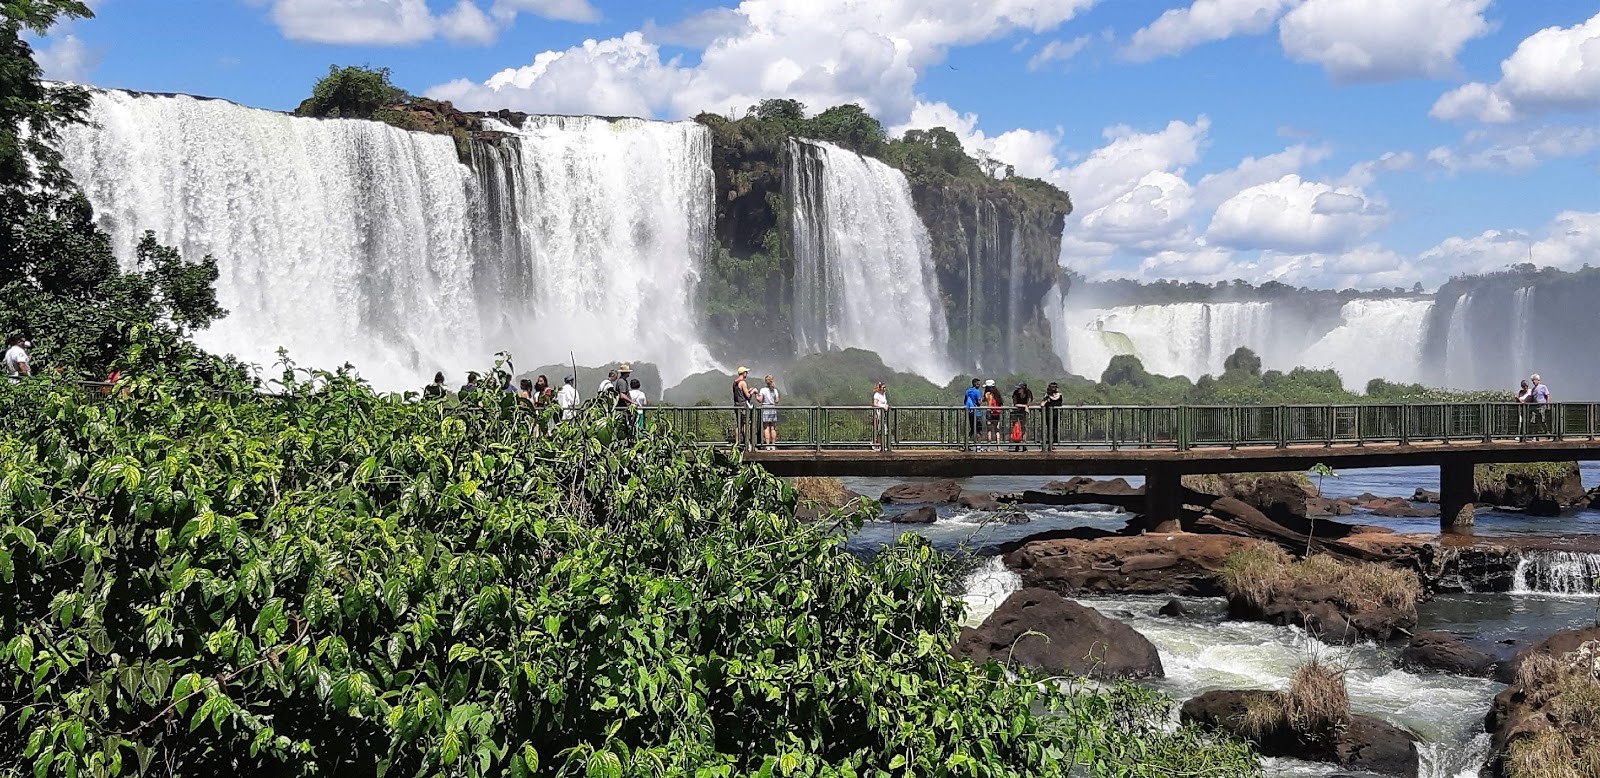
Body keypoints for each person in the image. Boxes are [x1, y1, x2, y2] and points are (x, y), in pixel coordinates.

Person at [732, 366, 754, 449]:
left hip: (736, 405)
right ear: (743, 373)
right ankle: (746, 443)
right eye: (746, 372)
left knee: (738, 425)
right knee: (745, 424)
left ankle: (737, 443)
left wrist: (748, 390)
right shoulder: (743, 383)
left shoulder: (735, 383)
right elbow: (747, 396)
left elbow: (740, 393)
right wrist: (753, 391)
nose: (747, 373)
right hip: (743, 406)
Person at [1010, 382, 1033, 452]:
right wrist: (1024, 406)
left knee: (1024, 428)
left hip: (1023, 412)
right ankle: (1017, 445)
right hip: (1016, 412)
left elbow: (1029, 402)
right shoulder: (1015, 393)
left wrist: (1026, 406)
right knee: (1016, 428)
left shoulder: (1028, 393)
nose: (1018, 389)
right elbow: (1015, 404)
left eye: (1020, 388)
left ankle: (1024, 444)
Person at [757, 375, 780, 449]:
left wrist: (756, 395)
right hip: (772, 407)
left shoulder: (763, 390)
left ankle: (767, 445)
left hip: (765, 408)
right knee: (772, 428)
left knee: (766, 427)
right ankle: (773, 445)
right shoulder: (775, 390)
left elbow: (760, 400)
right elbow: (777, 401)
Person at [982, 380, 1004, 450]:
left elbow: (983, 400)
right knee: (996, 429)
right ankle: (998, 447)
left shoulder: (987, 394)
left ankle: (988, 447)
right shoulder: (997, 394)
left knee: (989, 430)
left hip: (989, 412)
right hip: (996, 412)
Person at [1042, 381, 1064, 446]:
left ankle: (1054, 441)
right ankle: (1050, 442)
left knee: (1055, 427)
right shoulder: (1047, 396)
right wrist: (1046, 400)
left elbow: (1060, 404)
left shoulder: (1060, 395)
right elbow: (1042, 404)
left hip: (1056, 414)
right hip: (1048, 414)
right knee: (1049, 428)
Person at [963, 378, 983, 444]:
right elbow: (979, 403)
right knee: (979, 430)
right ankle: (979, 446)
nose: (979, 385)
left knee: (972, 428)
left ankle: (966, 443)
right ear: (975, 384)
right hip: (977, 413)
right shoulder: (977, 392)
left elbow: (965, 401)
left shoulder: (968, 391)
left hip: (970, 412)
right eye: (978, 384)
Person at [871, 381, 889, 447]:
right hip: (878, 414)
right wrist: (882, 407)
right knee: (878, 428)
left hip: (883, 414)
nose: (885, 389)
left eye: (885, 387)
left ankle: (882, 444)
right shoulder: (877, 395)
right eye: (883, 387)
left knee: (883, 429)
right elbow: (875, 404)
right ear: (880, 388)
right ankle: (876, 443)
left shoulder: (884, 394)